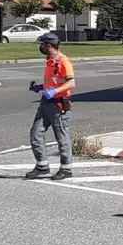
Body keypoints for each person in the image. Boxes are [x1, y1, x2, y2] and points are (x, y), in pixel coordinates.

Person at [25, 33, 75, 180]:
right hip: (46, 103)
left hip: (58, 104)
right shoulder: (50, 62)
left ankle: (66, 169)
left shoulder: (63, 61)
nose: (40, 48)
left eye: (42, 45)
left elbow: (71, 83)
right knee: (36, 133)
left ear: (49, 46)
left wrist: (54, 91)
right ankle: (42, 166)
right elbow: (53, 81)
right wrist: (41, 87)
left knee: (62, 137)